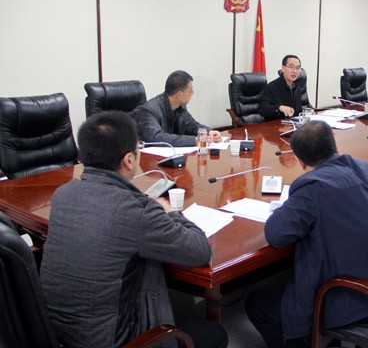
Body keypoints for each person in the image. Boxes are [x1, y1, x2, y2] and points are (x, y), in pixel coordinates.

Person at [40, 111, 228, 348]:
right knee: (215, 334)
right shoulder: (137, 210)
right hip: (111, 340)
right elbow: (199, 251)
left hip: (58, 334)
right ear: (129, 160)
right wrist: (170, 211)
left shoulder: (63, 194)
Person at [245, 121, 368, 348]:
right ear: (335, 145)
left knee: (258, 304)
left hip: (357, 299)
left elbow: (276, 235)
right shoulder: (364, 168)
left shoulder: (312, 187)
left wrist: (287, 208)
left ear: (301, 161)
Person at [133, 70, 221, 146]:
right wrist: (194, 140)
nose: (192, 94)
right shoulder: (149, 110)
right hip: (146, 156)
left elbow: (190, 124)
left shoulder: (179, 106)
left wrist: (208, 132)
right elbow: (157, 137)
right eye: (191, 91)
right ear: (179, 94)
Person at [258, 54, 308, 120]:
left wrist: (306, 112)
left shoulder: (297, 86)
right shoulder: (271, 87)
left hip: (292, 123)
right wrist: (279, 108)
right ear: (283, 68)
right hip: (276, 124)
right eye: (291, 67)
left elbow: (297, 110)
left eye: (297, 68)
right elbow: (262, 109)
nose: (295, 71)